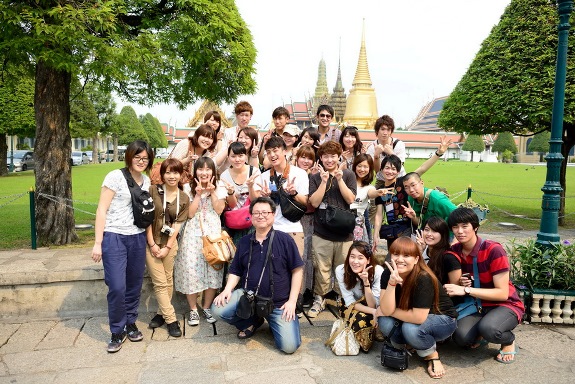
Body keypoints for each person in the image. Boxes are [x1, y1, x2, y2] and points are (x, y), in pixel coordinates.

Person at [211, 197, 304, 354]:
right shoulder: (245, 241)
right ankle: (252, 320)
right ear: (251, 216)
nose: (261, 216)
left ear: (273, 215)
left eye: (265, 212)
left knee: (289, 347)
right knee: (218, 310)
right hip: (250, 299)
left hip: (279, 304)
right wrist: (227, 290)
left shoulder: (285, 240)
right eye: (256, 213)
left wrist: (292, 302)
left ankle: (275, 322)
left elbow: (297, 270)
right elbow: (236, 270)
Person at [92, 140, 154, 353]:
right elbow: (101, 209)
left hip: (137, 237)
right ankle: (117, 330)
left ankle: (130, 322)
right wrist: (98, 242)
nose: (141, 161)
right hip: (114, 236)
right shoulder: (115, 176)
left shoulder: (146, 181)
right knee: (117, 286)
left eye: (145, 158)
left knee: (134, 285)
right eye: (137, 157)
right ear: (129, 156)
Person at [443, 207, 525, 364]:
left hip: (504, 304)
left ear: (475, 227)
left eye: (464, 226)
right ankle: (481, 331)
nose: (459, 231)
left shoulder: (493, 250)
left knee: (491, 330)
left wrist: (466, 289)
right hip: (478, 305)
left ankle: (508, 340)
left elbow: (502, 293)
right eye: (455, 227)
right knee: (461, 338)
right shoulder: (455, 251)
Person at [377, 236, 458, 379]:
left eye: (406, 255)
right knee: (384, 321)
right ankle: (409, 344)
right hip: (409, 315)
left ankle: (431, 355)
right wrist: (391, 284)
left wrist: (389, 311)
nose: (400, 259)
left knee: (410, 328)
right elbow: (385, 308)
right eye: (396, 254)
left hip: (442, 319)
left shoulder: (423, 277)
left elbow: (418, 317)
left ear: (416, 259)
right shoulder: (387, 273)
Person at [373, 136, 452, 251]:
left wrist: (438, 153)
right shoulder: (380, 190)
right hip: (392, 230)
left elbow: (422, 168)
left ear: (398, 172)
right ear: (382, 170)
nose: (390, 171)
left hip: (407, 227)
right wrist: (375, 234)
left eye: (394, 169)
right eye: (387, 168)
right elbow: (379, 215)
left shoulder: (403, 182)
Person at [174, 157, 227, 327]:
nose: (204, 173)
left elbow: (219, 210)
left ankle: (206, 307)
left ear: (213, 171)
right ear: (195, 170)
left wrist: (211, 192)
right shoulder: (187, 189)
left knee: (213, 269)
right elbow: (189, 214)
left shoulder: (220, 187)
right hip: (192, 234)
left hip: (213, 234)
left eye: (208, 169)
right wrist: (197, 194)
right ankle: (193, 310)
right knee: (191, 269)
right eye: (200, 169)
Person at [307, 141, 357, 318]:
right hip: (322, 231)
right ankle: (319, 298)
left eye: (333, 156)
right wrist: (324, 181)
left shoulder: (349, 175)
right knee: (321, 267)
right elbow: (313, 202)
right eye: (326, 156)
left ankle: (341, 298)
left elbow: (350, 199)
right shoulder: (315, 177)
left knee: (344, 268)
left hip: (344, 232)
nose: (329, 159)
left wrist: (339, 179)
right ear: (321, 158)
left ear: (339, 157)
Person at [145, 158, 190, 337]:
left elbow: (178, 225)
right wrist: (153, 244)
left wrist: (167, 246)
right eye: (168, 172)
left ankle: (160, 313)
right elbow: (146, 219)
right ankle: (171, 319)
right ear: (162, 174)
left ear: (181, 174)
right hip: (151, 242)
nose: (172, 176)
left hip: (170, 244)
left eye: (175, 172)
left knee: (168, 280)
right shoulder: (152, 191)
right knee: (160, 282)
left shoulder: (184, 198)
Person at [335, 241, 383, 352]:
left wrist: (366, 282)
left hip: (372, 304)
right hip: (352, 306)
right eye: (352, 257)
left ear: (368, 260)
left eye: (360, 258)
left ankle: (374, 330)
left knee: (368, 318)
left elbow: (373, 304)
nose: (355, 261)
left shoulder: (378, 272)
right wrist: (373, 312)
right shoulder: (341, 270)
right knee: (360, 319)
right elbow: (349, 302)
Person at [220, 142, 262, 244]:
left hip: (252, 220)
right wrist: (231, 193)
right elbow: (232, 205)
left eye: (240, 156)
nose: (237, 159)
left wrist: (250, 187)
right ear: (228, 158)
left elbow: (255, 200)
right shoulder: (224, 176)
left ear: (246, 156)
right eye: (233, 156)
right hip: (233, 222)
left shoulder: (254, 172)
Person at [350, 154, 387, 244]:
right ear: (354, 166)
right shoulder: (347, 181)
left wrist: (378, 193)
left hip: (357, 223)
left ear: (370, 169)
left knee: (357, 250)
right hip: (342, 220)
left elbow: (371, 193)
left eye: (365, 167)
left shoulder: (369, 187)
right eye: (359, 166)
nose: (362, 169)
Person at [415, 216, 461, 285]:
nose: (429, 234)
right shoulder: (424, 251)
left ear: (443, 234)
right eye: (427, 229)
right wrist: (419, 252)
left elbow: (455, 288)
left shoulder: (449, 258)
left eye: (434, 231)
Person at [366, 114, 406, 179]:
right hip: (381, 181)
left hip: (399, 179)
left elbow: (400, 167)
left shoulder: (398, 144)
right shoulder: (372, 147)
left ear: (391, 132)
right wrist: (376, 156)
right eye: (382, 129)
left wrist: (392, 153)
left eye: (388, 130)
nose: (385, 133)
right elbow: (377, 171)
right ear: (377, 131)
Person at [218, 101, 254, 172]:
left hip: (247, 174)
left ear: (250, 117)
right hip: (227, 172)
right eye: (241, 115)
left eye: (246, 115)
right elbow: (221, 153)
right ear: (237, 116)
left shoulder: (254, 134)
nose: (244, 118)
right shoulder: (228, 133)